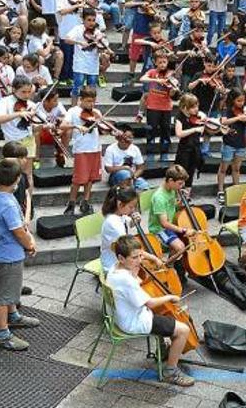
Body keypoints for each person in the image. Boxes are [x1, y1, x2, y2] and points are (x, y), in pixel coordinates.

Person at [107, 236, 195, 387]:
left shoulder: (114, 268)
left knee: (164, 315)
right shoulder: (126, 280)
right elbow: (151, 303)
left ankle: (163, 350)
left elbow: (137, 287)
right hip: (135, 321)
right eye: (134, 258)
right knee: (183, 330)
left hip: (123, 316)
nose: (139, 261)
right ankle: (171, 372)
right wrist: (170, 297)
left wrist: (135, 270)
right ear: (121, 258)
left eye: (140, 256)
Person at [0, 159, 40, 351]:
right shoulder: (8, 205)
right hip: (10, 255)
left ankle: (13, 316)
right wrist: (30, 244)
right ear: (17, 179)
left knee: (10, 288)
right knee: (4, 295)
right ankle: (3, 334)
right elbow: (18, 231)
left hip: (5, 251)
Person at [60, 86, 106, 216]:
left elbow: (102, 129)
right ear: (81, 99)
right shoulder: (73, 111)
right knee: (78, 179)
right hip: (81, 149)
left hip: (95, 149)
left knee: (91, 178)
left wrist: (108, 128)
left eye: (93, 101)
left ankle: (85, 201)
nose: (91, 104)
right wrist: (76, 125)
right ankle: (71, 203)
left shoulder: (96, 112)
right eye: (88, 101)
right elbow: (62, 125)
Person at [99, 186, 162, 274]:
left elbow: (128, 223)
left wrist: (135, 221)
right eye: (131, 207)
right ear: (120, 204)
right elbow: (130, 249)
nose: (133, 210)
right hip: (113, 263)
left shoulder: (120, 215)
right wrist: (154, 258)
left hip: (122, 256)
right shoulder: (113, 223)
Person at [0, 76, 38, 190]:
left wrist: (41, 125)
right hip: (12, 143)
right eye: (23, 92)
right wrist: (18, 114)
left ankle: (28, 202)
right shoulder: (6, 101)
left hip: (27, 139)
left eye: (29, 92)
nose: (27, 95)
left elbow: (35, 126)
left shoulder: (31, 105)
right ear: (14, 89)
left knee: (28, 173)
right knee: (12, 173)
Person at [140, 51, 176, 163]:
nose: (162, 65)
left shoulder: (171, 75)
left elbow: (172, 95)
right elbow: (142, 79)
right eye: (160, 62)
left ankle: (164, 153)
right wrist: (157, 80)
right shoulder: (152, 72)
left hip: (166, 108)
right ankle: (150, 153)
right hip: (152, 107)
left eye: (164, 62)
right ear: (155, 63)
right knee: (151, 130)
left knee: (165, 131)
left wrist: (173, 90)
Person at [216, 88, 246, 197]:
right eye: (239, 101)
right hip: (229, 143)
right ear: (232, 99)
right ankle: (220, 190)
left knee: (236, 168)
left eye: (243, 100)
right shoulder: (227, 109)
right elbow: (224, 121)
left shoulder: (245, 110)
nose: (241, 103)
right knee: (223, 168)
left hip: (241, 144)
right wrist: (238, 118)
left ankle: (236, 189)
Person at [173, 94, 206, 194]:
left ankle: (187, 194)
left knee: (191, 173)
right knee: (181, 173)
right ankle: (179, 195)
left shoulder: (198, 116)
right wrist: (194, 129)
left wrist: (204, 119)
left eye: (197, 106)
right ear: (184, 108)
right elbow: (179, 134)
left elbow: (203, 129)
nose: (196, 109)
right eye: (193, 107)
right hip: (184, 150)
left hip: (195, 148)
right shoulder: (179, 117)